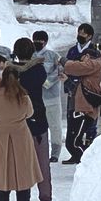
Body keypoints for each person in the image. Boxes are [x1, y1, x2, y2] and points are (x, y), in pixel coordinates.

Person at [0, 66, 43, 201]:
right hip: (21, 139)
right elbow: (30, 113)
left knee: (2, 181)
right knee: (23, 181)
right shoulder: (23, 97)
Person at [11, 38, 52, 201]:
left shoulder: (11, 72)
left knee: (20, 161)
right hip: (38, 117)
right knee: (42, 159)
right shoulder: (39, 70)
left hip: (17, 119)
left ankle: (22, 194)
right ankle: (45, 195)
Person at [60, 48, 101, 164]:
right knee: (75, 139)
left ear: (87, 56)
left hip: (84, 109)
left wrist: (63, 61)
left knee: (73, 141)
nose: (82, 62)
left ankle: (87, 162)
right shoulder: (99, 67)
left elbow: (74, 68)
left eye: (83, 59)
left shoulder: (94, 64)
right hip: (85, 107)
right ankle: (77, 158)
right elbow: (81, 88)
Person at [63, 24, 97, 151]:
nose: (80, 36)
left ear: (89, 36)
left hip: (89, 91)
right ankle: (74, 147)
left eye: (83, 34)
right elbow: (66, 68)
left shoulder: (94, 51)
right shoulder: (72, 50)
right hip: (73, 89)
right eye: (79, 33)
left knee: (89, 119)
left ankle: (90, 145)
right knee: (73, 119)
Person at [32, 30, 64, 163]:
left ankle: (55, 152)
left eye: (40, 41)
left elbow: (59, 72)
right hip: (35, 98)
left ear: (45, 42)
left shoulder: (53, 56)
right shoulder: (30, 56)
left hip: (52, 97)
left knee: (55, 125)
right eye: (35, 40)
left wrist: (44, 82)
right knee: (36, 126)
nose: (37, 43)